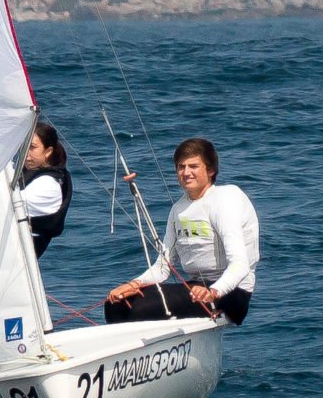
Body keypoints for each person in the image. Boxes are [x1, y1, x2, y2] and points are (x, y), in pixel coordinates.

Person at [104, 137, 260, 326]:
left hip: (232, 293)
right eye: (181, 167)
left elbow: (241, 265)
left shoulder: (225, 199)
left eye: (193, 166)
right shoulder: (178, 209)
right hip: (196, 288)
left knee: (139, 309)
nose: (186, 172)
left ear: (210, 170)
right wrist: (134, 284)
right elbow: (163, 267)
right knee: (117, 303)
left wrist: (213, 291)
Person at [14, 120, 71, 257]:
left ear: (48, 151)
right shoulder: (24, 174)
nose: (26, 153)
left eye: (32, 147)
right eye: (23, 146)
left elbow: (9, 205)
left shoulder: (49, 185)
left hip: (17, 260)